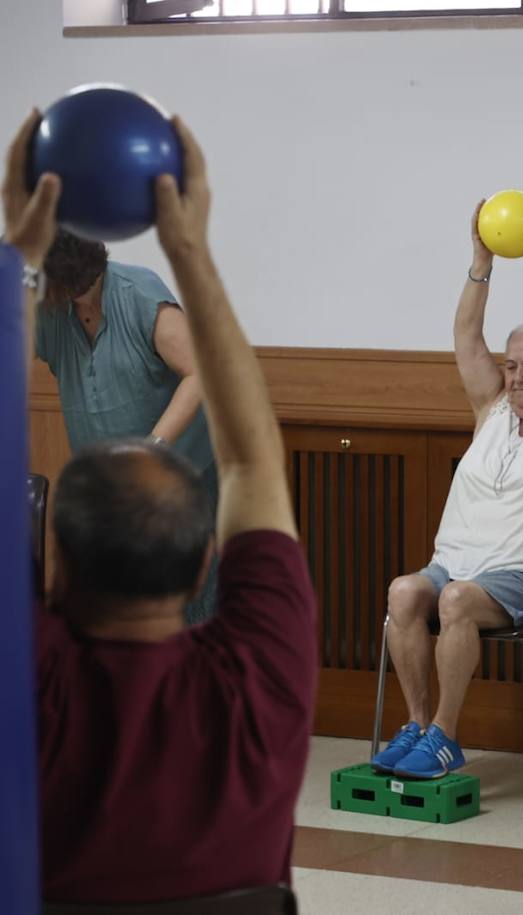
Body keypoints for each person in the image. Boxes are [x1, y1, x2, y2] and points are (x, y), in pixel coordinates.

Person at [3, 110, 318, 903]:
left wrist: (15, 254)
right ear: (207, 553)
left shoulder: (28, 686)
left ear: (54, 564)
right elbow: (254, 462)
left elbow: (222, 431)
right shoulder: (264, 680)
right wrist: (195, 246)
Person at [370, 202, 523, 780]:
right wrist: (480, 263)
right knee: (405, 593)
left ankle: (448, 736)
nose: (518, 377)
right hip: (459, 565)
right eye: (512, 366)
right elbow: (464, 335)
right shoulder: (492, 411)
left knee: (455, 602)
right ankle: (420, 725)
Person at [33, 226, 218, 623]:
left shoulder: (138, 294)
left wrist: (152, 447)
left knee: (183, 606)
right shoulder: (48, 308)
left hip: (178, 482)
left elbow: (200, 372)